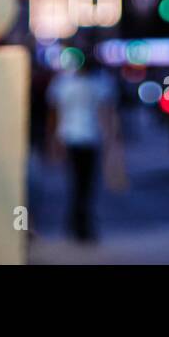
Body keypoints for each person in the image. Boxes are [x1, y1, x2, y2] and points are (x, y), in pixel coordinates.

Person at [46, 50, 121, 241]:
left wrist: (53, 140)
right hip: (86, 138)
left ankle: (76, 221)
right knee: (84, 184)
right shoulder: (98, 84)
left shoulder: (64, 84)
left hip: (73, 137)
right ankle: (80, 223)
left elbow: (54, 114)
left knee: (78, 183)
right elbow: (107, 114)